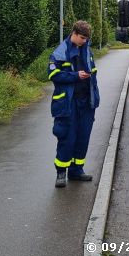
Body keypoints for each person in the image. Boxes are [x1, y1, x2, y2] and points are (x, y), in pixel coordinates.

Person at [48, 20, 100, 188]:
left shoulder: (87, 51)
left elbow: (93, 76)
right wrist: (76, 76)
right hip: (68, 103)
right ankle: (61, 173)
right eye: (82, 38)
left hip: (86, 103)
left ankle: (77, 171)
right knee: (67, 138)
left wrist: (95, 100)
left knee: (82, 137)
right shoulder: (59, 52)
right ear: (74, 34)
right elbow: (54, 76)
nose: (84, 41)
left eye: (86, 38)